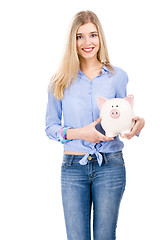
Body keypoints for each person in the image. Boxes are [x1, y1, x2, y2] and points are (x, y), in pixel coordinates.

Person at [45, 10, 145, 240]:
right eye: (80, 36)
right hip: (73, 167)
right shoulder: (59, 80)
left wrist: (138, 123)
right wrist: (82, 133)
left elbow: (123, 117)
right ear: (73, 41)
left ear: (100, 37)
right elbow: (50, 127)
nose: (87, 42)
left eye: (92, 35)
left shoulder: (117, 76)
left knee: (105, 236)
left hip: (110, 165)